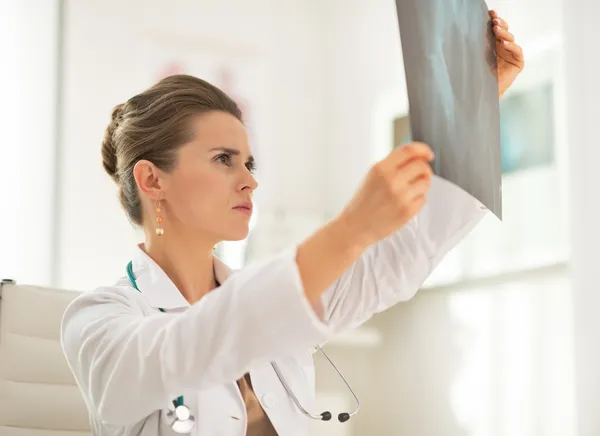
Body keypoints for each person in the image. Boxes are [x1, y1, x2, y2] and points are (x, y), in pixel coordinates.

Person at [60, 12, 523, 436]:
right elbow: (194, 342)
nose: (249, 182)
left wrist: (476, 106)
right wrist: (350, 227)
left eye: (249, 163)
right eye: (224, 159)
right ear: (151, 179)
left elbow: (399, 255)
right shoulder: (99, 320)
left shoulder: (277, 296)